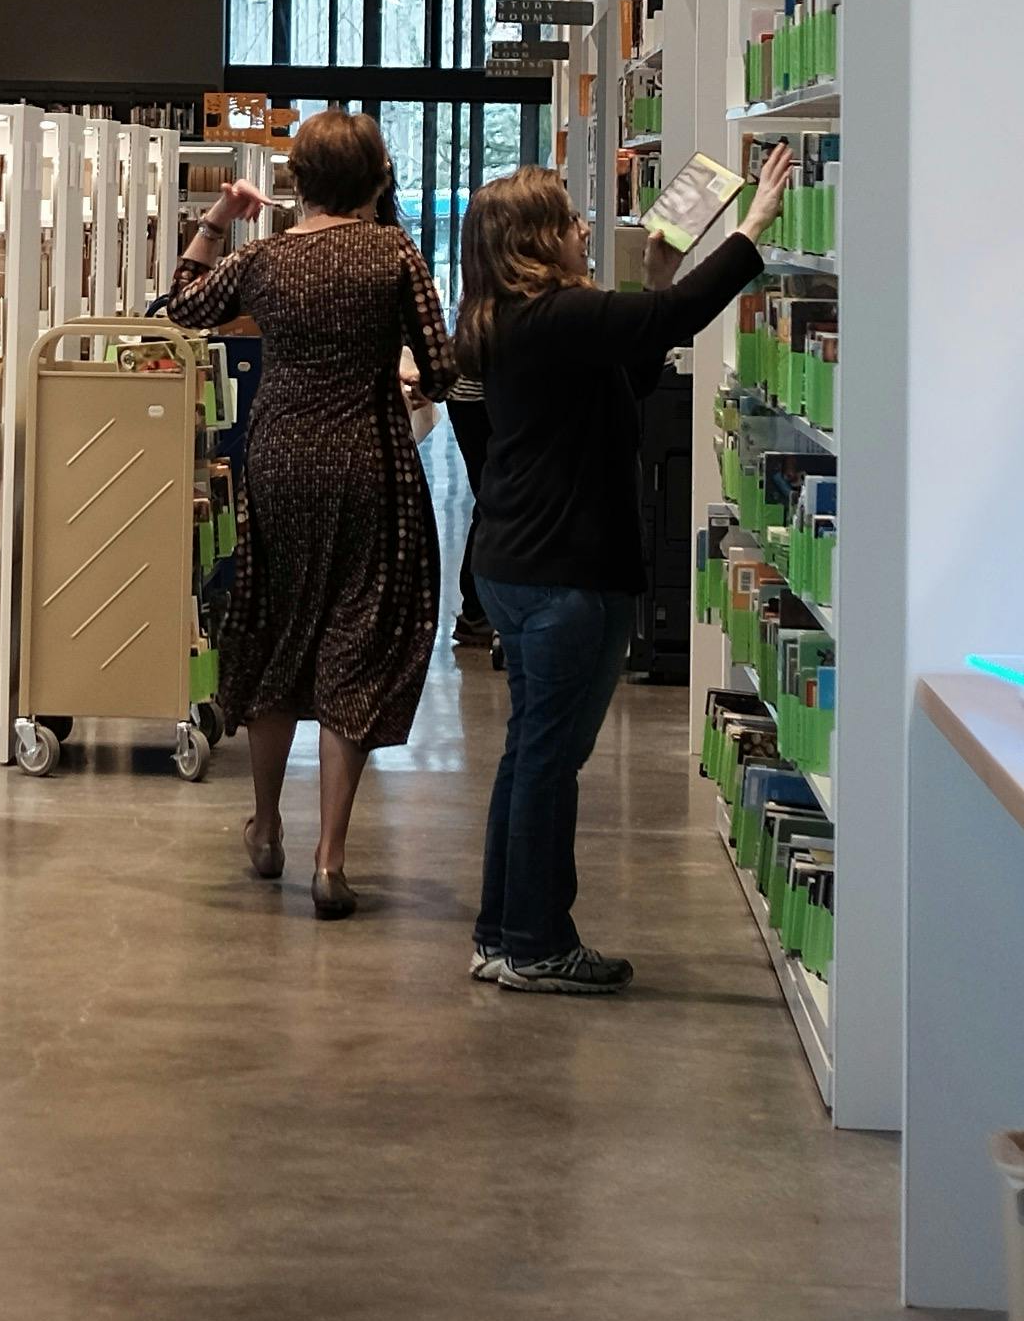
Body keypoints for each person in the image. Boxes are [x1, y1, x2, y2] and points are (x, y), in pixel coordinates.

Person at [452, 146, 793, 993]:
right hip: (565, 570)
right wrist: (748, 233)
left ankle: (505, 933)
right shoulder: (558, 316)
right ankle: (534, 944)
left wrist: (660, 266)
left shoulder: (508, 320)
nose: (579, 228)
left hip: (517, 560)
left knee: (528, 755)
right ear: (536, 240)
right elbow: (668, 321)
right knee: (547, 761)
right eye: (567, 218)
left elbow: (630, 370)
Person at [166, 108, 453, 916]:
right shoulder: (392, 252)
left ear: (300, 181)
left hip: (280, 459)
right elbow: (440, 361)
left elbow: (181, 306)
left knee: (276, 625)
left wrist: (218, 219)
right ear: (375, 179)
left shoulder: (261, 260)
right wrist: (407, 384)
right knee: (355, 638)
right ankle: (331, 858)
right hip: (370, 461)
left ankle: (265, 828)